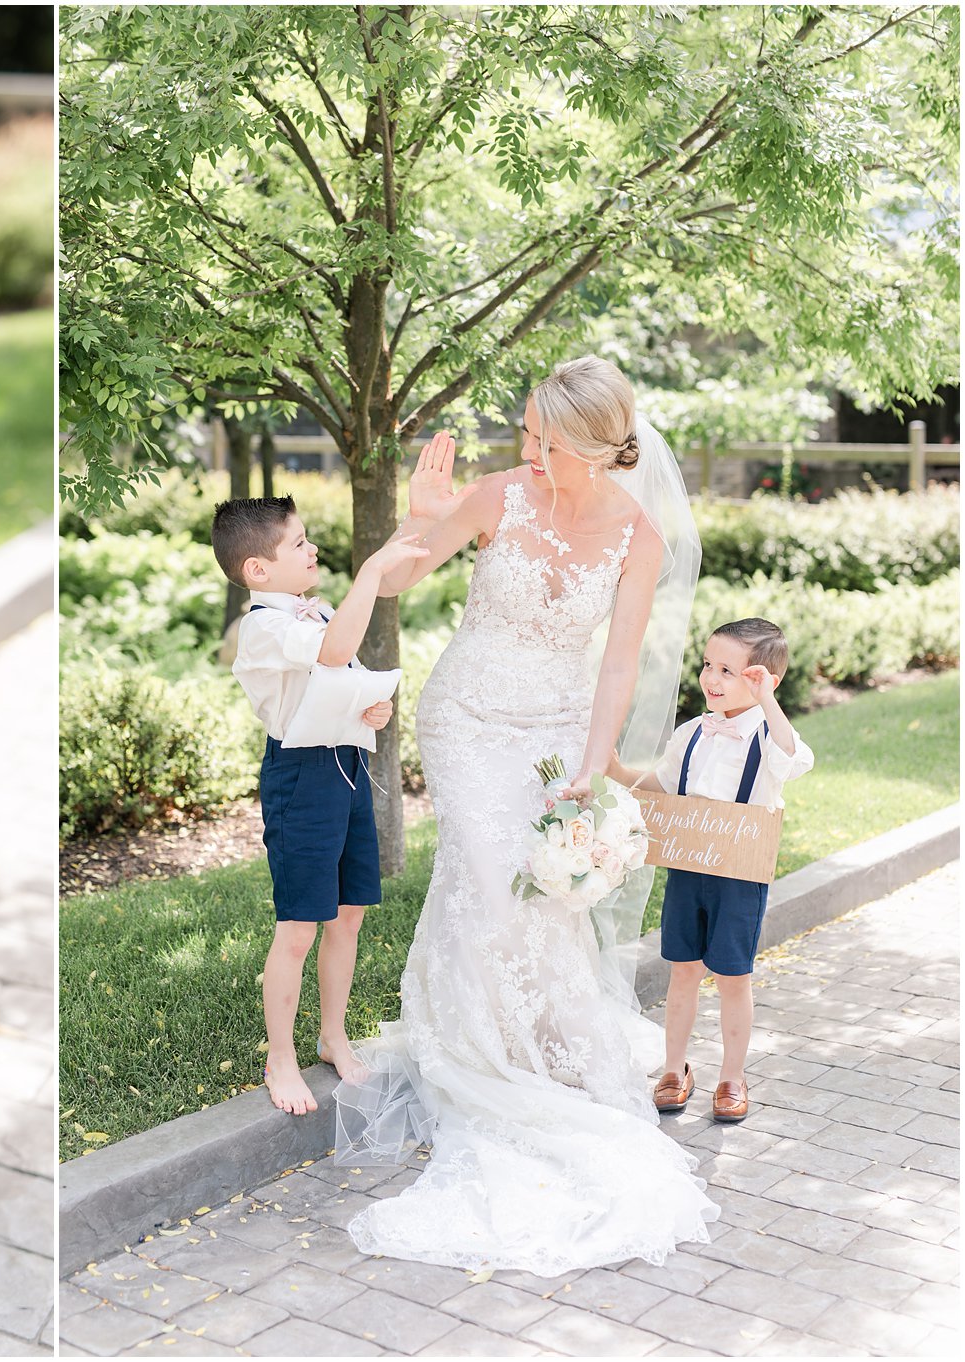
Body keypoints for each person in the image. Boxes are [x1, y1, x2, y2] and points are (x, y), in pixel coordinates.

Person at [331, 357, 718, 1274]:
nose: (528, 449)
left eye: (546, 438)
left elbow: (618, 664)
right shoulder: (498, 495)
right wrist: (422, 521)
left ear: (592, 444)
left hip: (553, 727)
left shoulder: (638, 535)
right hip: (464, 715)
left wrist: (593, 769)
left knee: (542, 895)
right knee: (484, 876)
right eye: (529, 434)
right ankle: (475, 1049)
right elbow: (394, 584)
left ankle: (537, 1042)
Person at [211, 498, 422, 1116]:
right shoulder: (265, 626)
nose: (312, 550)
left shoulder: (318, 610)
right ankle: (280, 1058)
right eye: (298, 544)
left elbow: (339, 678)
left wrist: (370, 708)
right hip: (301, 777)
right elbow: (332, 653)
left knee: (349, 913)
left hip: (346, 767)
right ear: (257, 570)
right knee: (299, 926)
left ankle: (333, 1036)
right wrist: (371, 574)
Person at [608, 618, 813, 1125]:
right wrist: (616, 771)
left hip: (739, 876)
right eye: (707, 665)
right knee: (683, 969)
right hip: (689, 868)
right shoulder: (692, 733)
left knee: (733, 977)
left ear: (763, 680)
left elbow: (795, 758)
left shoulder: (768, 738)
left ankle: (732, 1076)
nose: (712, 679)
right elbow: (661, 784)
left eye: (728, 670)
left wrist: (769, 703)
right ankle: (675, 1069)